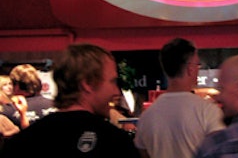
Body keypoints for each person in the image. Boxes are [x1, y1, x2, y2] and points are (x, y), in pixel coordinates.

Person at [1, 43, 140, 157]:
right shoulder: (113, 142)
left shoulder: (23, 142)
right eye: (112, 82)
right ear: (88, 84)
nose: (116, 91)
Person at [134, 37, 225, 158]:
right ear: (190, 68)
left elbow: (143, 153)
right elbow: (221, 150)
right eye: (198, 65)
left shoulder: (147, 116)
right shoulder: (208, 111)